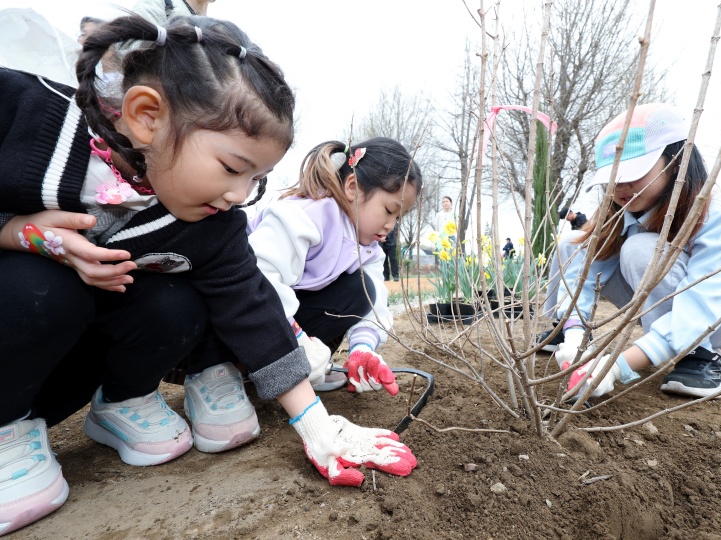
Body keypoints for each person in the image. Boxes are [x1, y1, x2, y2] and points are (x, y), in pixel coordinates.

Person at [0, 14, 415, 536]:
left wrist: (317, 426)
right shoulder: (26, 116)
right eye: (231, 167)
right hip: (20, 327)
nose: (240, 194)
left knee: (178, 303)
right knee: (45, 291)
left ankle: (121, 401)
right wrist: (15, 231)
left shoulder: (211, 225)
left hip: (70, 367)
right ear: (147, 116)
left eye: (256, 179)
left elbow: (252, 309)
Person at [539, 103, 721, 400]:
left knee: (640, 250)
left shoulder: (719, 215)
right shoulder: (622, 211)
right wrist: (575, 336)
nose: (620, 186)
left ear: (675, 162)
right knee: (574, 245)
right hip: (669, 303)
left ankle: (702, 356)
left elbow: (701, 303)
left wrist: (615, 367)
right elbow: (582, 276)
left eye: (633, 173)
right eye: (613, 178)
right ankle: (567, 330)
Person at [245, 137, 422, 395]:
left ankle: (299, 366)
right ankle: (227, 373)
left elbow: (376, 306)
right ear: (353, 187)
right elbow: (259, 278)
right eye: (388, 210)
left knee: (363, 290)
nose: (391, 225)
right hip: (238, 313)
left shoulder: (368, 247)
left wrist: (363, 349)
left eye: (398, 217)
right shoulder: (307, 215)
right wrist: (298, 341)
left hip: (278, 321)